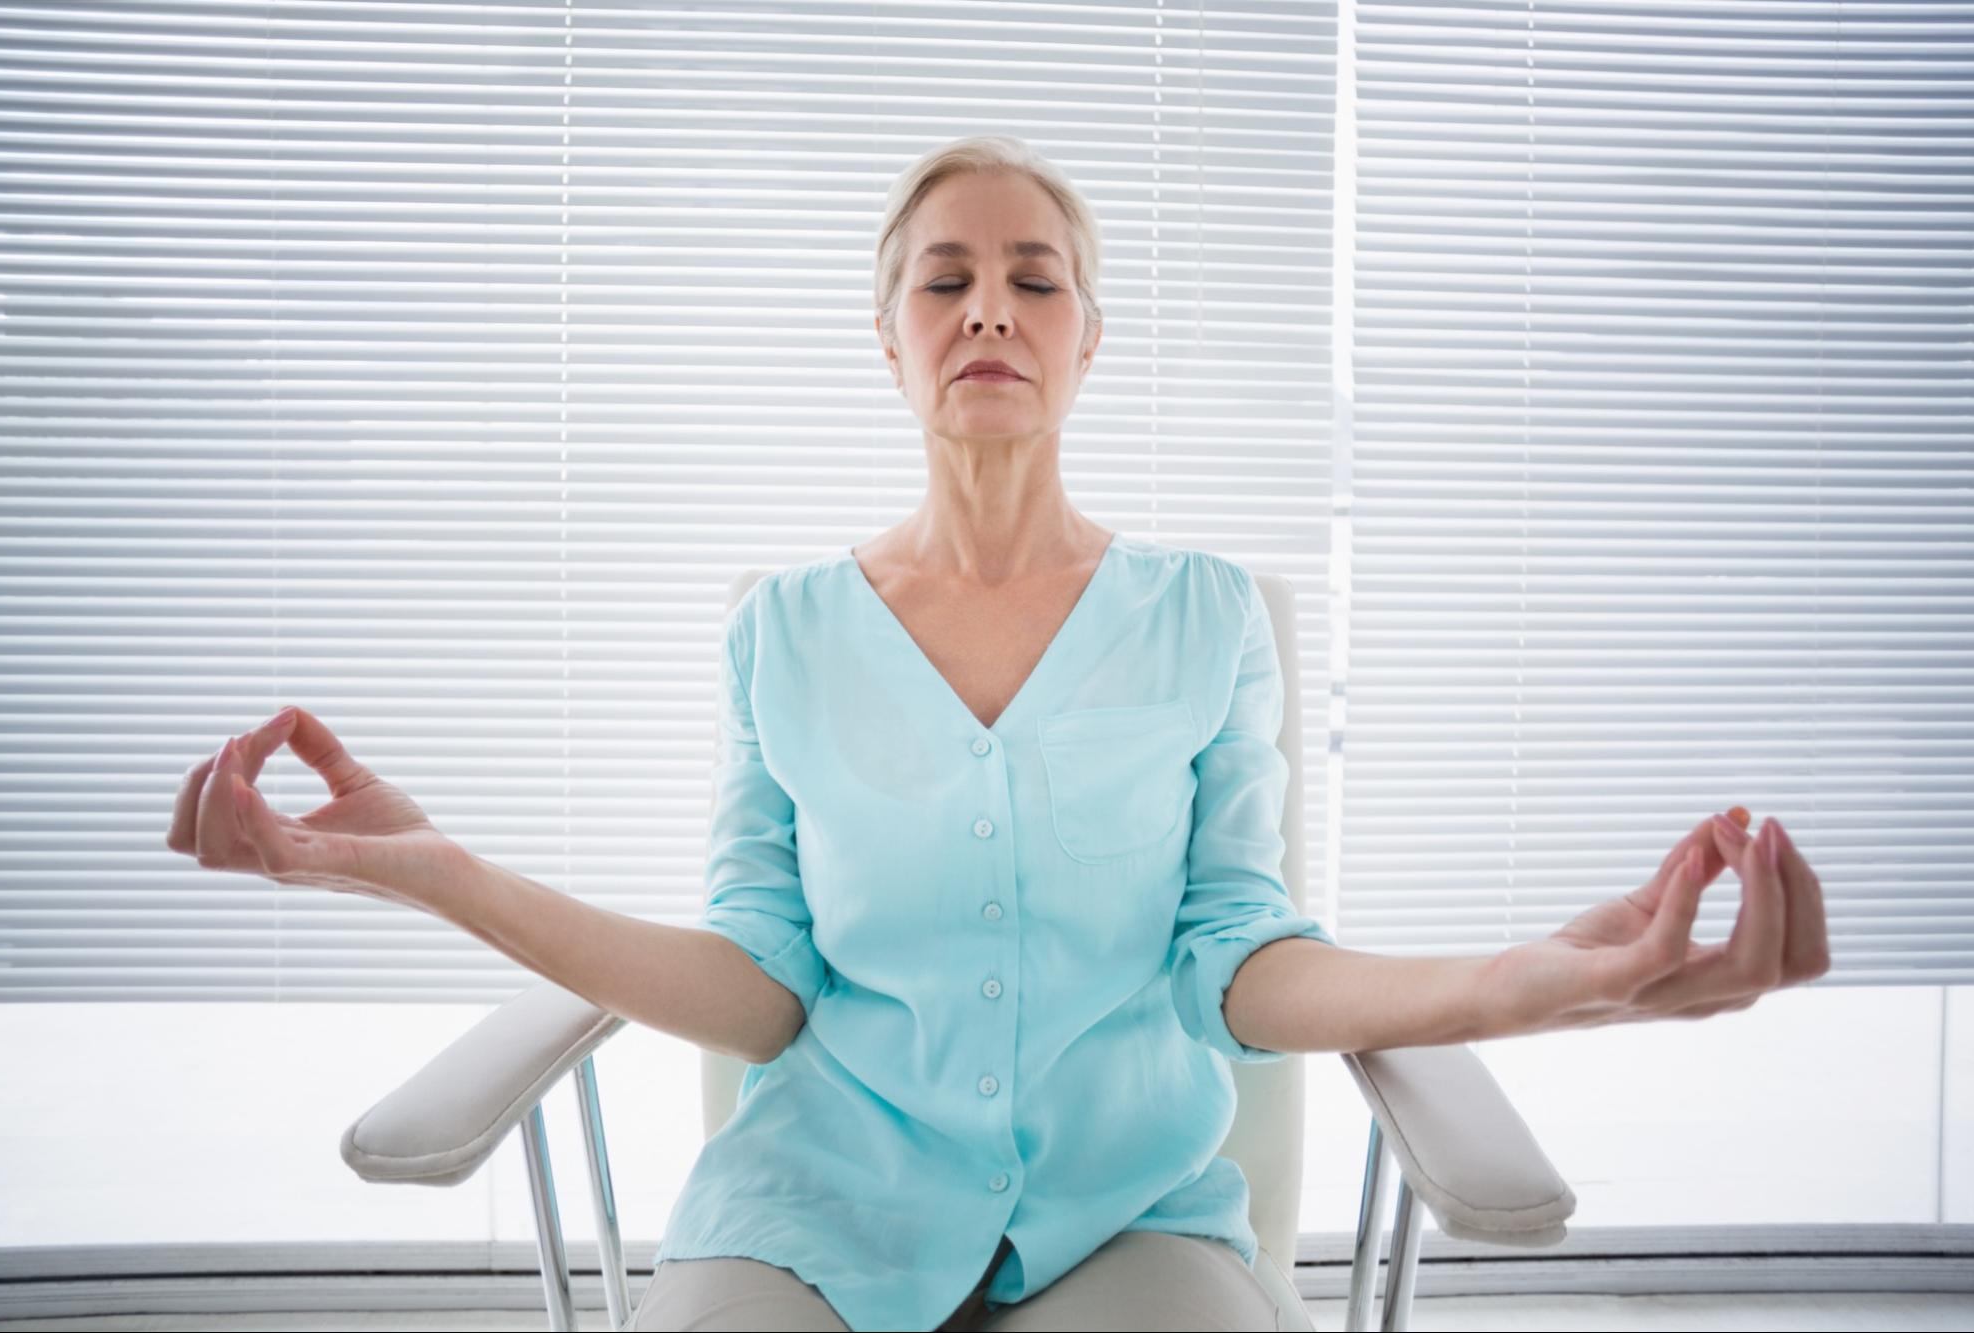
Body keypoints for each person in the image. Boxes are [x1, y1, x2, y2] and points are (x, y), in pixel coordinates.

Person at [166, 134, 1830, 1333]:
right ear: (887, 341)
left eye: (1035, 280)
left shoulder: (1203, 618)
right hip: (810, 1216)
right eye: (943, 279)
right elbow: (755, 979)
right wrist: (438, 871)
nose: (989, 308)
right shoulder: (782, 633)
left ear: (1086, 342)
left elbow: (1237, 960)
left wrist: (1532, 977)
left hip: (1130, 1219)